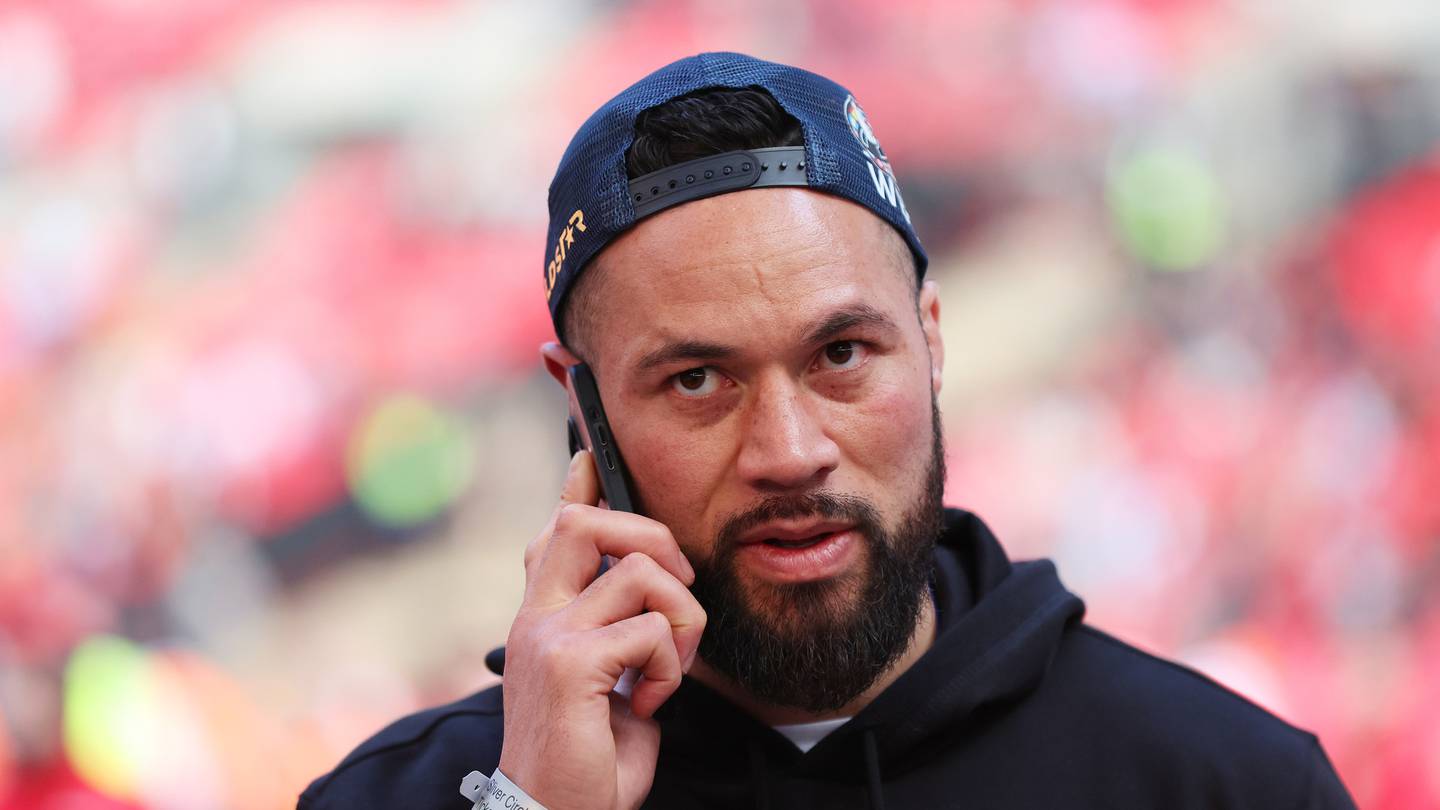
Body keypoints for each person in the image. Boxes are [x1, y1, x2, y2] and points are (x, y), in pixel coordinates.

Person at [298, 52, 1356, 810]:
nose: (788, 449)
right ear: (584, 410)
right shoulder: (414, 794)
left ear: (931, 343)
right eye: (698, 379)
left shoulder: (1223, 780)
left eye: (841, 354)